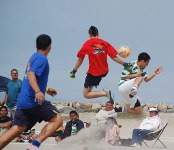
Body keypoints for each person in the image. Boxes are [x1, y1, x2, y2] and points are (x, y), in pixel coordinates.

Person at [0, 34, 63, 150]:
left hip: (22, 101)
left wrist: (47, 90)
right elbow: (30, 74)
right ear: (50, 47)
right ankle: (34, 146)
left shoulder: (33, 57)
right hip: (33, 101)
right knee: (57, 119)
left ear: (36, 46)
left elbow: (29, 79)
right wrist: (38, 91)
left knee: (18, 128)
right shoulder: (42, 59)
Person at [69, 26, 131, 103]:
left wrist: (74, 71)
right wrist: (124, 64)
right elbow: (114, 57)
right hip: (104, 71)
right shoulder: (105, 43)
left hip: (93, 73)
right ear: (98, 33)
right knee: (91, 87)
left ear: (89, 35)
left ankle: (105, 93)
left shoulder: (87, 44)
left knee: (86, 94)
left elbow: (80, 59)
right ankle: (105, 94)